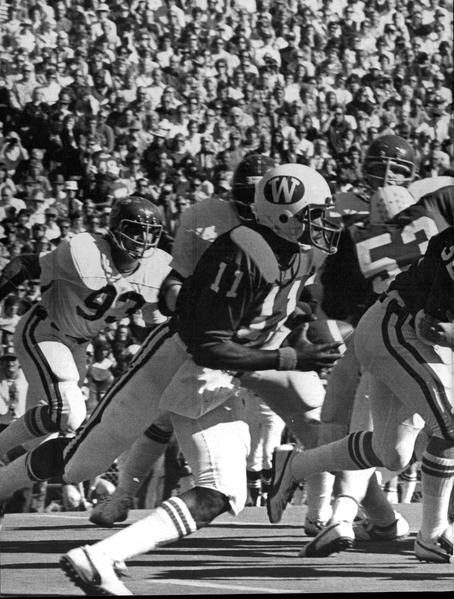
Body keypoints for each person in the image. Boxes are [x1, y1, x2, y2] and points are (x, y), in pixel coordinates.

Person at [56, 163, 343, 595]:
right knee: (79, 466)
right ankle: (93, 540)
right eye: (314, 213)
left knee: (224, 492)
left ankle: (102, 555)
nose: (323, 222)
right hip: (190, 363)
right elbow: (207, 343)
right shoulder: (242, 252)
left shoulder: (295, 250)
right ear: (284, 213)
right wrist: (289, 357)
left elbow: (270, 308)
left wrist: (299, 327)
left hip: (220, 370)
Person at [298, 135, 454, 555]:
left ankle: (346, 513)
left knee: (383, 442)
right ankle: (340, 515)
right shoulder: (431, 211)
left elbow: (328, 292)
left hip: (382, 330)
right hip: (403, 335)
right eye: (381, 167)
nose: (386, 176)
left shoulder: (359, 229)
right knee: (410, 434)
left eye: (397, 169)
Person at [267, 222, 454, 564]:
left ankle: (296, 466)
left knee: (391, 453)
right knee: (450, 425)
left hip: (399, 336)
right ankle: (432, 534)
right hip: (398, 333)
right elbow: (433, 328)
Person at [0, 196, 171, 472]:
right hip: (45, 332)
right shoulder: (85, 251)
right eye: (135, 230)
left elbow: (155, 325)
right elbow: (24, 264)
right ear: (116, 228)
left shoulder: (158, 270)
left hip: (78, 347)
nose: (143, 239)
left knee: (44, 433)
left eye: (150, 232)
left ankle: (5, 474)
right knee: (69, 413)